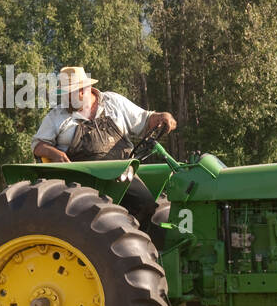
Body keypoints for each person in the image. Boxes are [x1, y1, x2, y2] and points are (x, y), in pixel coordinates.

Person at [32, 66, 176, 233]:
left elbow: (145, 120)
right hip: (82, 181)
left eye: (67, 94)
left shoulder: (113, 102)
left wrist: (161, 117)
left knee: (146, 204)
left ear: (83, 91)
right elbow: (38, 145)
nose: (64, 100)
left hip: (121, 173)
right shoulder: (56, 116)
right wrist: (54, 153)